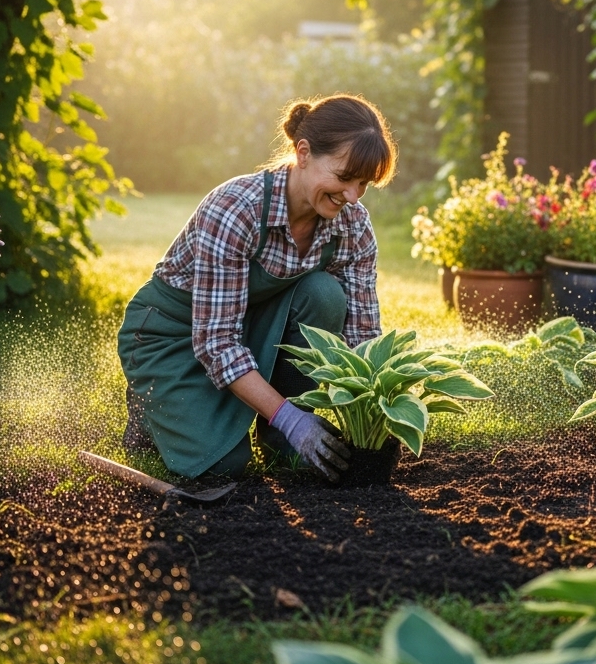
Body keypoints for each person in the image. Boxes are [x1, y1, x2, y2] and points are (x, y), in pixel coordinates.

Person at [117, 94, 396, 483]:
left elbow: (363, 334)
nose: (352, 196)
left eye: (363, 184)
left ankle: (277, 438)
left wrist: (381, 414)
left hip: (248, 326)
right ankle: (149, 407)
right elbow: (216, 343)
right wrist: (294, 421)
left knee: (324, 294)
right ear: (303, 153)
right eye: (344, 177)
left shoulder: (352, 225)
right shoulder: (235, 210)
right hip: (173, 335)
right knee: (221, 465)